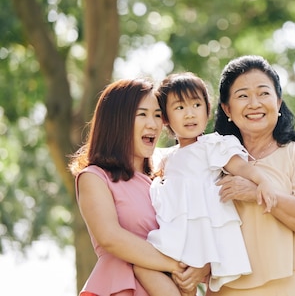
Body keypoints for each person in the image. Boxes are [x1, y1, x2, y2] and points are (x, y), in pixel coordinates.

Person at [134, 72, 278, 293]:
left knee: (199, 284)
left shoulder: (212, 145)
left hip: (204, 234)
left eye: (196, 104)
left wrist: (263, 182)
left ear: (207, 110)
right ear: (165, 118)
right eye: (180, 108)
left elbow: (241, 167)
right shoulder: (165, 158)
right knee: (152, 270)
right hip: (176, 232)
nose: (190, 114)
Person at [212, 55, 295, 296]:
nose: (254, 103)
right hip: (227, 289)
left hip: (290, 288)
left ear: (279, 102)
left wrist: (257, 193)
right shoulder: (213, 164)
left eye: (263, 93)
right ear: (227, 109)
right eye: (242, 96)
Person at [68, 78, 205, 296]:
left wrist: (200, 267)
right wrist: (177, 265)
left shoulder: (168, 174)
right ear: (116, 121)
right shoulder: (94, 177)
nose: (153, 124)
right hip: (120, 285)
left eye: (158, 115)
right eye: (142, 114)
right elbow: (110, 237)